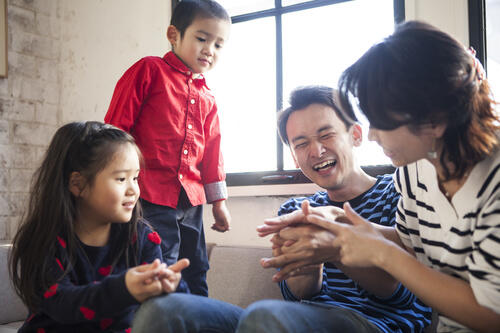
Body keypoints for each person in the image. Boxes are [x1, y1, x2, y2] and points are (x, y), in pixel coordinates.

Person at [280, 21, 500, 332]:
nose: (370, 136)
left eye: (380, 122)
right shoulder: (412, 172)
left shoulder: (493, 181)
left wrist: (383, 255)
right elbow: (412, 245)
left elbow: (493, 314)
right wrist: (336, 223)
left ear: (434, 118)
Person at [237, 85, 432, 333]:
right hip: (307, 319)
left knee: (263, 315)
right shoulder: (296, 209)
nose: (316, 151)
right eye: (301, 143)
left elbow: (403, 295)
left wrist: (334, 246)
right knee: (179, 309)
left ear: (356, 135)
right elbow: (297, 298)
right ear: (295, 158)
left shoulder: (400, 192)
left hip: (376, 325)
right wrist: (307, 267)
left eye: (326, 135)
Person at [9, 121, 190, 333]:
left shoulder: (142, 237)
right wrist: (124, 288)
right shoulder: (44, 240)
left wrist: (170, 285)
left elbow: (168, 308)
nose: (133, 189)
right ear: (78, 184)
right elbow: (62, 305)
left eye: (136, 178)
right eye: (121, 179)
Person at [104, 0, 232, 297]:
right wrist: (118, 184)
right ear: (174, 35)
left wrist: (219, 202)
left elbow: (213, 152)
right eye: (202, 39)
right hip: (150, 194)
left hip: (192, 200)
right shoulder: (149, 70)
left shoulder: (208, 97)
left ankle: (201, 323)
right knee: (159, 265)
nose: (209, 50)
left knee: (197, 266)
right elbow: (116, 129)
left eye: (218, 45)